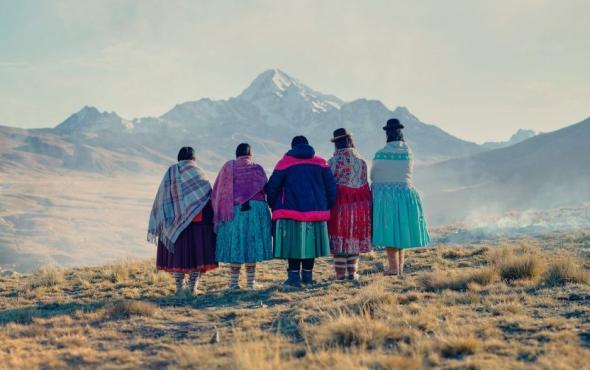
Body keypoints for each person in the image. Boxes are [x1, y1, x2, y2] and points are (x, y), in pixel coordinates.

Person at [266, 136, 337, 287]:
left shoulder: (284, 163)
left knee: (293, 245)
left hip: (289, 211)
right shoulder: (321, 162)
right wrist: (326, 205)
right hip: (316, 211)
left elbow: (272, 187)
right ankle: (308, 277)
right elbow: (331, 188)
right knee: (309, 245)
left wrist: (274, 205)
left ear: (292, 147)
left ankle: (293, 279)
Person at [148, 146, 218, 295]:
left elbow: (162, 198)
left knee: (178, 257)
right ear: (194, 159)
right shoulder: (199, 173)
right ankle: (192, 288)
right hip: (198, 224)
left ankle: (180, 288)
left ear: (178, 158)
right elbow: (209, 196)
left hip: (174, 223)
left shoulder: (171, 172)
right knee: (197, 258)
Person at [371, 119, 430, 276]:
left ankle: (392, 268)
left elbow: (374, 175)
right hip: (405, 194)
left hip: (385, 196)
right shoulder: (408, 152)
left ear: (387, 134)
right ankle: (399, 267)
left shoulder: (380, 153)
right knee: (401, 230)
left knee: (389, 230)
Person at [212, 143, 272, 290]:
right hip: (256, 210)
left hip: (233, 211)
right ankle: (251, 283)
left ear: (236, 154)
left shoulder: (228, 167)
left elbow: (217, 191)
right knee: (251, 243)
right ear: (250, 155)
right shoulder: (257, 168)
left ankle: (234, 284)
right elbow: (266, 188)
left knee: (236, 244)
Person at [327, 128, 372, 281]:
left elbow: (329, 184)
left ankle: (340, 274)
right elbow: (365, 184)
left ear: (336, 144)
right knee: (354, 235)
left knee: (339, 235)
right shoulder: (362, 161)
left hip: (339, 204)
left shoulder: (333, 162)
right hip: (360, 205)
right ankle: (352, 273)